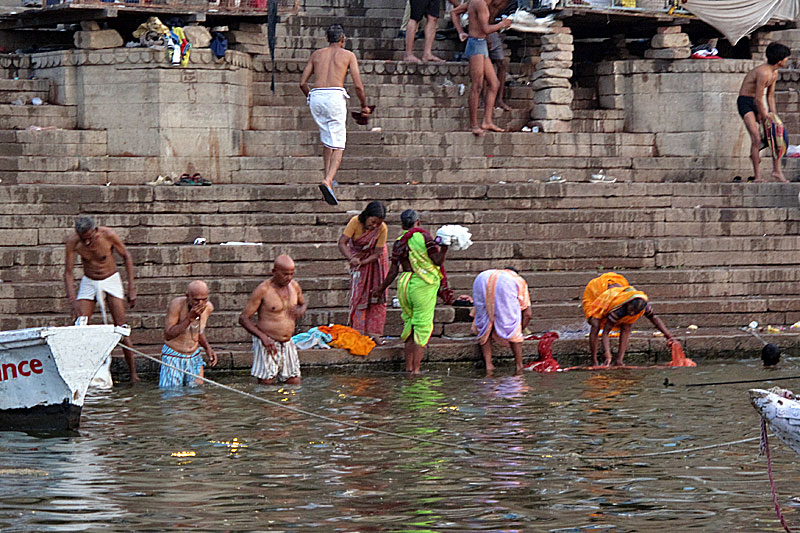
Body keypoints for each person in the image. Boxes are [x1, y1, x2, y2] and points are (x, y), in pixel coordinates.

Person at [299, 24, 372, 206]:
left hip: (316, 96)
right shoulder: (348, 55)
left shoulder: (317, 54)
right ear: (343, 40)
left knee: (327, 138)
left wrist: (312, 98)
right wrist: (364, 106)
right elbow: (358, 86)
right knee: (339, 143)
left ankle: (328, 177)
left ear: (326, 38)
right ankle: (328, 180)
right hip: (334, 97)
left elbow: (302, 83)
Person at [372, 210, 449, 374]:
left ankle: (408, 368)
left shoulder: (399, 241)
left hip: (404, 285)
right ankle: (416, 370)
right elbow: (437, 261)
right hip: (422, 285)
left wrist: (380, 289)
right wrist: (444, 248)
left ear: (402, 225)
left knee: (410, 325)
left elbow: (393, 271)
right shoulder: (424, 238)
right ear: (418, 222)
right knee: (422, 327)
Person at [64, 216, 139, 383]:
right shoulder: (73, 242)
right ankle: (80, 372)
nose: (88, 243)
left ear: (95, 231)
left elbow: (126, 256)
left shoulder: (108, 235)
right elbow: (68, 272)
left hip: (110, 279)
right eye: (84, 240)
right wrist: (73, 300)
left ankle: (133, 373)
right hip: (89, 281)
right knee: (79, 326)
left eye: (90, 238)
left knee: (121, 328)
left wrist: (131, 287)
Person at [239, 255, 307, 385]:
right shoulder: (263, 290)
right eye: (285, 274)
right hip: (267, 342)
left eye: (292, 274)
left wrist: (301, 310)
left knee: (294, 381)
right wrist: (263, 338)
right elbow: (243, 318)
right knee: (267, 383)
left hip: (288, 342)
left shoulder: (295, 286)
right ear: (274, 272)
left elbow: (303, 304)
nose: (289, 278)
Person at [582, 272, 674, 367]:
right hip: (596, 292)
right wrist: (607, 354)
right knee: (595, 324)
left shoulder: (643, 306)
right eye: (630, 310)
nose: (631, 314)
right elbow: (605, 332)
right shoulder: (619, 308)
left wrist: (669, 337)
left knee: (627, 325)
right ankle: (594, 360)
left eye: (635, 312)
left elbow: (655, 319)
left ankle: (619, 360)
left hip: (616, 291)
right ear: (628, 304)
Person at [451, 0, 512, 136]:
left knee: (494, 83)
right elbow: (486, 29)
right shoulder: (480, 3)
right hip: (476, 44)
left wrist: (461, 32)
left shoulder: (475, 2)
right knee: (477, 85)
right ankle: (473, 124)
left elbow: (454, 12)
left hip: (481, 43)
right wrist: (502, 24)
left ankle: (487, 121)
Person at [737, 42, 790, 183]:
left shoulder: (775, 73)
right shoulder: (763, 72)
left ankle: (777, 171)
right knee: (756, 138)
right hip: (746, 102)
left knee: (776, 135)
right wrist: (764, 116)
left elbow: (770, 96)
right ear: (780, 60)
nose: (787, 61)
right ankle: (757, 176)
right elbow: (758, 98)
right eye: (786, 58)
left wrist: (773, 116)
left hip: (757, 102)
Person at [337, 201, 389, 340]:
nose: (374, 226)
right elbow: (342, 242)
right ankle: (358, 331)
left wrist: (363, 262)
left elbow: (377, 252)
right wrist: (351, 259)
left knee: (377, 294)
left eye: (377, 223)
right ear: (367, 216)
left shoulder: (382, 228)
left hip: (376, 262)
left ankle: (374, 333)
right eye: (372, 222)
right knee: (359, 295)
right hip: (357, 257)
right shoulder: (355, 222)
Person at [472, 268, 532, 375]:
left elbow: (475, 313)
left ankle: (488, 364)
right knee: (513, 325)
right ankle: (519, 365)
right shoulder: (518, 279)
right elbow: (528, 314)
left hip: (481, 279)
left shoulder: (488, 273)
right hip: (506, 284)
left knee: (485, 322)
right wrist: (520, 329)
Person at [159, 280, 218, 388]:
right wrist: (189, 319)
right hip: (174, 355)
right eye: (196, 300)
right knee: (172, 394)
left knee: (196, 394)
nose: (200, 304)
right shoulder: (176, 305)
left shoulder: (208, 307)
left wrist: (208, 348)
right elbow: (168, 335)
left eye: (204, 299)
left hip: (194, 355)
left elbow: (198, 331)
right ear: (188, 296)